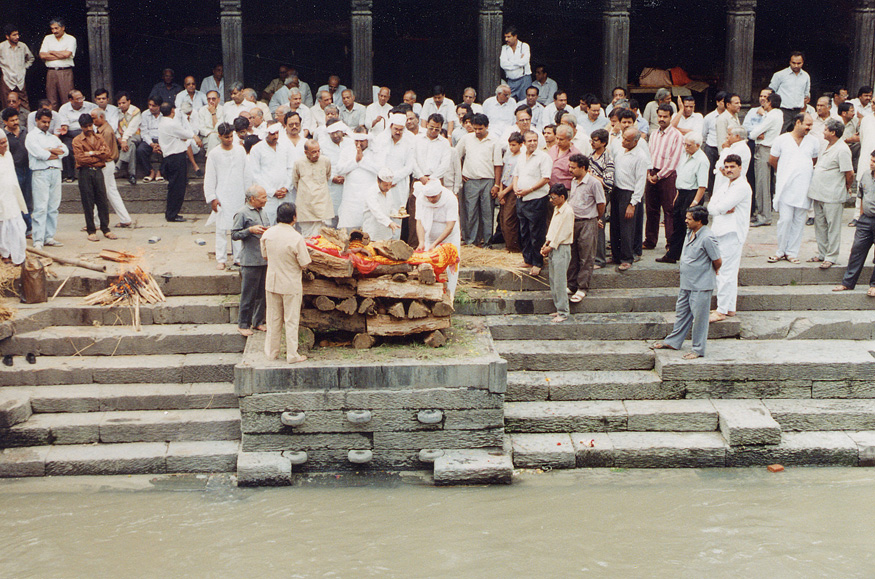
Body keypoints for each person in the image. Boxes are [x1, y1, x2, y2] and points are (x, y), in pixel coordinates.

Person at [651, 206, 722, 358]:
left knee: (700, 319)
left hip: (701, 284)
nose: (686, 221)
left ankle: (697, 349)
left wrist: (711, 272)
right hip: (687, 283)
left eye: (689, 219)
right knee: (682, 313)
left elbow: (717, 260)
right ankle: (674, 341)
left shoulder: (707, 237)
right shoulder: (690, 232)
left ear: (699, 221)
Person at [260, 201, 311, 364]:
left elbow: (265, 256)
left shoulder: (268, 234)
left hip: (273, 281)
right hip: (290, 283)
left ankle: (271, 352)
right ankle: (292, 354)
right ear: (294, 218)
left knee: (273, 318)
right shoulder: (296, 237)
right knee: (291, 320)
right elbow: (304, 263)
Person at [768, 113, 819, 263]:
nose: (810, 128)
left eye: (811, 125)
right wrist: (786, 172)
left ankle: (792, 252)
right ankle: (780, 251)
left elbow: (813, 160)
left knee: (798, 221)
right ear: (798, 122)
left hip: (804, 187)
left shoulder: (813, 141)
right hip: (785, 187)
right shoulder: (781, 139)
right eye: (807, 125)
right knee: (785, 220)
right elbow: (772, 160)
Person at [707, 154, 750, 322]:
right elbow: (711, 206)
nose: (729, 170)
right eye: (727, 167)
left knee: (725, 272)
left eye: (733, 166)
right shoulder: (726, 185)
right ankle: (730, 307)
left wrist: (720, 207)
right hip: (720, 232)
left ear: (740, 167)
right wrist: (720, 207)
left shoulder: (742, 187)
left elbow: (720, 207)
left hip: (732, 234)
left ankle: (721, 310)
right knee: (728, 272)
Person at [807, 119, 854, 268]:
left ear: (833, 132)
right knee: (820, 225)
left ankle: (831, 256)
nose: (823, 132)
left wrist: (847, 187)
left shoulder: (842, 149)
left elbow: (849, 173)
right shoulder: (826, 145)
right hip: (818, 192)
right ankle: (822, 253)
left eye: (826, 130)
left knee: (833, 227)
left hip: (833, 194)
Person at [657, 132, 709, 263]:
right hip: (682, 193)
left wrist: (695, 202)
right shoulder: (685, 155)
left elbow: (702, 185)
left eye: (688, 145)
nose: (685, 147)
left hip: (692, 194)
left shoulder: (702, 160)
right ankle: (673, 254)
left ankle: (690, 255)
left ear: (697, 145)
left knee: (689, 226)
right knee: (678, 224)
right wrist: (677, 195)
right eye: (684, 144)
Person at [456, 113, 502, 247]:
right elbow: (455, 156)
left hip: (488, 180)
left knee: (488, 213)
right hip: (470, 180)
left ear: (487, 127)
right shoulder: (466, 138)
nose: (477, 131)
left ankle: (487, 242)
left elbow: (498, 164)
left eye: (480, 129)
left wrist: (497, 185)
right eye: (475, 128)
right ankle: (471, 241)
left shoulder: (494, 141)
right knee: (470, 212)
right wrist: (460, 173)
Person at [204, 122, 246, 269]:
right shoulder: (214, 154)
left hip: (239, 193)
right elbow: (210, 177)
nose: (229, 139)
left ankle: (238, 257)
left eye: (231, 136)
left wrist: (248, 193)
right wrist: (212, 197)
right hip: (222, 194)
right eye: (226, 137)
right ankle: (221, 259)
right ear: (219, 136)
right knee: (221, 228)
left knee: (238, 227)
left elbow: (246, 172)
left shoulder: (240, 151)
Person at [834, 151, 875, 296]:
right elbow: (862, 196)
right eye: (871, 160)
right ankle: (848, 283)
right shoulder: (866, 175)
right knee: (857, 250)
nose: (871, 163)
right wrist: (862, 216)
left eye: (874, 161)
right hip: (866, 220)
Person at [643, 103, 684, 251]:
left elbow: (674, 161)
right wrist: (649, 173)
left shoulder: (676, 136)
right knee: (651, 209)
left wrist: (659, 176)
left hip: (667, 175)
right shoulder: (653, 134)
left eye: (665, 116)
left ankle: (670, 243)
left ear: (671, 117)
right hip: (652, 172)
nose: (661, 119)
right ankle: (650, 240)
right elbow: (649, 154)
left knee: (669, 210)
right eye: (659, 116)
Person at [25, 108, 67, 249]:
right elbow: (39, 154)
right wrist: (51, 152)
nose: (46, 125)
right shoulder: (31, 136)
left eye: (48, 122)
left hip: (55, 172)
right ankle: (38, 239)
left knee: (53, 206)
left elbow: (64, 151)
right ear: (37, 120)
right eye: (43, 122)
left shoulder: (52, 137)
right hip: (40, 172)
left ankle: (49, 236)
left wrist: (49, 150)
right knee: (40, 207)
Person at [566, 154, 605, 302]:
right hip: (573, 221)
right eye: (570, 166)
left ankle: (582, 287)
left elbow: (601, 203)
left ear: (583, 168)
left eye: (573, 167)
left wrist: (596, 218)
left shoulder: (594, 183)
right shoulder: (574, 181)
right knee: (573, 254)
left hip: (588, 222)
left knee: (586, 256)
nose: (570, 170)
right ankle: (571, 284)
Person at [71, 113, 115, 242]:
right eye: (85, 127)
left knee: (102, 200)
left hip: (98, 171)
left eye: (90, 125)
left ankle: (105, 228)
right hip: (85, 172)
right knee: (88, 201)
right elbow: (80, 158)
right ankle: (91, 230)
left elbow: (107, 154)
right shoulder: (77, 140)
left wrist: (90, 153)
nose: (89, 128)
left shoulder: (99, 138)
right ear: (81, 127)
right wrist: (97, 154)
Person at [414, 178, 461, 298]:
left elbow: (450, 225)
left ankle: (449, 296)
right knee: (430, 265)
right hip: (429, 235)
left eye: (433, 197)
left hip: (449, 237)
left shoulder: (450, 198)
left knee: (451, 267)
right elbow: (419, 221)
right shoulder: (420, 198)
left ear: (439, 193)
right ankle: (431, 296)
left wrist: (435, 243)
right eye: (428, 197)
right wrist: (421, 241)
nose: (430, 199)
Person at [231, 185, 269, 335]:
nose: (265, 200)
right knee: (248, 294)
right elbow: (234, 234)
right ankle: (243, 324)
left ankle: (257, 321)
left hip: (263, 259)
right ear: (252, 199)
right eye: (263, 198)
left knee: (262, 294)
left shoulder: (263, 212)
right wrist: (250, 230)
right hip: (250, 260)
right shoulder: (242, 213)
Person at [612, 127, 650, 270]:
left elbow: (641, 182)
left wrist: (633, 203)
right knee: (615, 225)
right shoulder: (620, 150)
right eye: (623, 138)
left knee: (627, 227)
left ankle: (627, 258)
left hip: (630, 193)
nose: (623, 141)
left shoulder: (640, 156)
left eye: (627, 140)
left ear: (636, 141)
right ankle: (616, 255)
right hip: (617, 190)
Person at [514, 130, 551, 275]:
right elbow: (516, 174)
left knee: (537, 233)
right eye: (529, 141)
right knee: (524, 231)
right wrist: (516, 188)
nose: (533, 143)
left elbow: (545, 179)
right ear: (523, 143)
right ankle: (527, 259)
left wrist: (528, 190)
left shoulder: (543, 157)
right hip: (521, 199)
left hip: (536, 199)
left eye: (535, 140)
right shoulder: (521, 157)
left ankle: (538, 262)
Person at [91, 108, 131, 228]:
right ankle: (124, 218)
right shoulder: (103, 130)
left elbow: (103, 152)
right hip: (106, 164)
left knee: (102, 192)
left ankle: (97, 222)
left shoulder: (106, 132)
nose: (92, 120)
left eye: (94, 118)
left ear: (101, 117)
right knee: (110, 191)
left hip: (105, 163)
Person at [748, 92, 783, 227]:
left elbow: (753, 133)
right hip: (767, 148)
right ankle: (763, 213)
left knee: (762, 184)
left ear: (770, 103)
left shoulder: (772, 116)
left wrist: (757, 134)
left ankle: (764, 216)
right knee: (763, 183)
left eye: (766, 100)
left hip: (764, 149)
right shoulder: (776, 115)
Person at [541, 183, 574, 322]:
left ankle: (563, 312)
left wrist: (551, 246)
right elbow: (553, 229)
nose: (551, 200)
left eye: (553, 198)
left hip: (561, 248)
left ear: (562, 197)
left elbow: (563, 233)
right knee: (553, 280)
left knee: (560, 281)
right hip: (553, 247)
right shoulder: (557, 209)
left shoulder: (568, 211)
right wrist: (546, 242)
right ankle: (558, 307)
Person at [157, 101, 195, 222]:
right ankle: (172, 214)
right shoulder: (172, 124)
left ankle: (171, 212)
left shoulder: (162, 122)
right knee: (177, 187)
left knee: (174, 186)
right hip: (176, 157)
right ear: (172, 110)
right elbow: (188, 134)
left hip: (169, 157)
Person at [249, 123, 293, 224]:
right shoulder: (257, 149)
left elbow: (290, 168)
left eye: (277, 133)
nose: (276, 136)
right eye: (272, 134)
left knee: (286, 225)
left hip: (285, 194)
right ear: (266, 133)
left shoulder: (285, 147)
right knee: (268, 224)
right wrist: (271, 191)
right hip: (267, 197)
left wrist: (286, 187)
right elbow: (255, 174)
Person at [291, 139, 333, 237]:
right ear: (306, 152)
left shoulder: (325, 161)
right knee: (308, 237)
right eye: (314, 152)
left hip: (322, 204)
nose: (317, 154)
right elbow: (295, 181)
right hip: (306, 207)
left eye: (318, 151)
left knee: (324, 236)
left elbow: (327, 176)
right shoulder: (298, 163)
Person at [2, 106, 31, 233]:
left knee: (28, 199)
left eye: (16, 119)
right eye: (12, 120)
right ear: (5, 122)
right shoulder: (4, 136)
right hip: (14, 171)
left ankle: (28, 227)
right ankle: (22, 227)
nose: (15, 122)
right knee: (17, 199)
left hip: (28, 168)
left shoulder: (25, 131)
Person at [0, 131, 27, 264]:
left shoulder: (8, 155)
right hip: (1, 200)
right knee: (3, 228)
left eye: (5, 142)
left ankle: (17, 255)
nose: (5, 145)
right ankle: (5, 254)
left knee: (17, 227)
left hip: (11, 197)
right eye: (1, 143)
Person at [57, 89, 96, 182]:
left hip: (87, 132)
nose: (81, 101)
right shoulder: (64, 108)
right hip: (71, 133)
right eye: (78, 99)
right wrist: (64, 128)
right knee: (67, 148)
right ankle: (70, 175)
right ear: (71, 100)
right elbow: (64, 124)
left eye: (82, 98)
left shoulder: (91, 106)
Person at [589, 128, 614, 268]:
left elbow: (608, 182)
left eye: (596, 140)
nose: (592, 143)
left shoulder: (608, 159)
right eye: (591, 140)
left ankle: (599, 259)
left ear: (603, 143)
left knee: (599, 225)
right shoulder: (590, 156)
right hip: (589, 195)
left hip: (602, 196)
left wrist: (592, 175)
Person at [39, 18, 76, 110]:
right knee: (51, 99)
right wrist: (61, 55)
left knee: (66, 99)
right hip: (51, 72)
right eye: (52, 29)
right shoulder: (48, 38)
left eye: (56, 28)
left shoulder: (71, 39)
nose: (54, 31)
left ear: (63, 28)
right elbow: (42, 55)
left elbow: (67, 54)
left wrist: (52, 52)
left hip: (65, 71)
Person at [769, 52, 810, 132]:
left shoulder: (806, 76)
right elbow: (770, 92)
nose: (796, 66)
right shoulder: (780, 75)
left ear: (803, 63)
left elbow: (806, 94)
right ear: (789, 62)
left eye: (799, 63)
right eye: (793, 63)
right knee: (780, 132)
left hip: (798, 111)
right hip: (783, 110)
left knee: (797, 133)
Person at [497, 132, 523, 253]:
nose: (511, 147)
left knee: (509, 218)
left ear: (521, 144)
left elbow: (515, 178)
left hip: (513, 189)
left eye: (514, 145)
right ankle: (507, 245)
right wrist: (501, 191)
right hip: (505, 187)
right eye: (510, 145)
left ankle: (514, 247)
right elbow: (504, 174)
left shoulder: (521, 158)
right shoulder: (508, 156)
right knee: (502, 218)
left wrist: (505, 191)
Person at [362, 167, 401, 241]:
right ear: (378, 182)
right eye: (386, 185)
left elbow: (390, 208)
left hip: (386, 234)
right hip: (372, 234)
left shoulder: (388, 191)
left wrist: (397, 214)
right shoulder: (371, 193)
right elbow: (377, 212)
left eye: (390, 184)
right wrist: (390, 223)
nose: (388, 187)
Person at [0, 25, 34, 110]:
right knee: (7, 104)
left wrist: (24, 68)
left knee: (24, 103)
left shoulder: (22, 46)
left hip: (20, 80)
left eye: (17, 34)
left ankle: (25, 122)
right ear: (7, 36)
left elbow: (31, 58)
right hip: (7, 79)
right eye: (14, 35)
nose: (17, 37)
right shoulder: (1, 47)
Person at [499, 26, 531, 101]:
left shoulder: (524, 46)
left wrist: (510, 62)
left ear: (515, 36)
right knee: (509, 102)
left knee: (524, 102)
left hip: (524, 79)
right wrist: (519, 61)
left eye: (509, 37)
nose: (506, 39)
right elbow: (503, 64)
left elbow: (524, 61)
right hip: (510, 81)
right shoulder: (504, 48)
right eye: (505, 37)